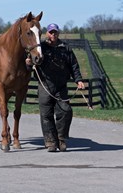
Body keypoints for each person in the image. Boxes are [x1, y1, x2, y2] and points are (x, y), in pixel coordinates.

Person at [34, 23, 85, 152]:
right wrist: (28, 63)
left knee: (66, 111)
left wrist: (78, 80)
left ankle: (61, 138)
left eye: (55, 32)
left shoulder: (65, 48)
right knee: (46, 115)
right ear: (47, 33)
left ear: (58, 33)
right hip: (45, 85)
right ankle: (50, 141)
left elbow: (74, 65)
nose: (53, 35)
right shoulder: (42, 48)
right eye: (51, 32)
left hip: (61, 85)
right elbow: (32, 63)